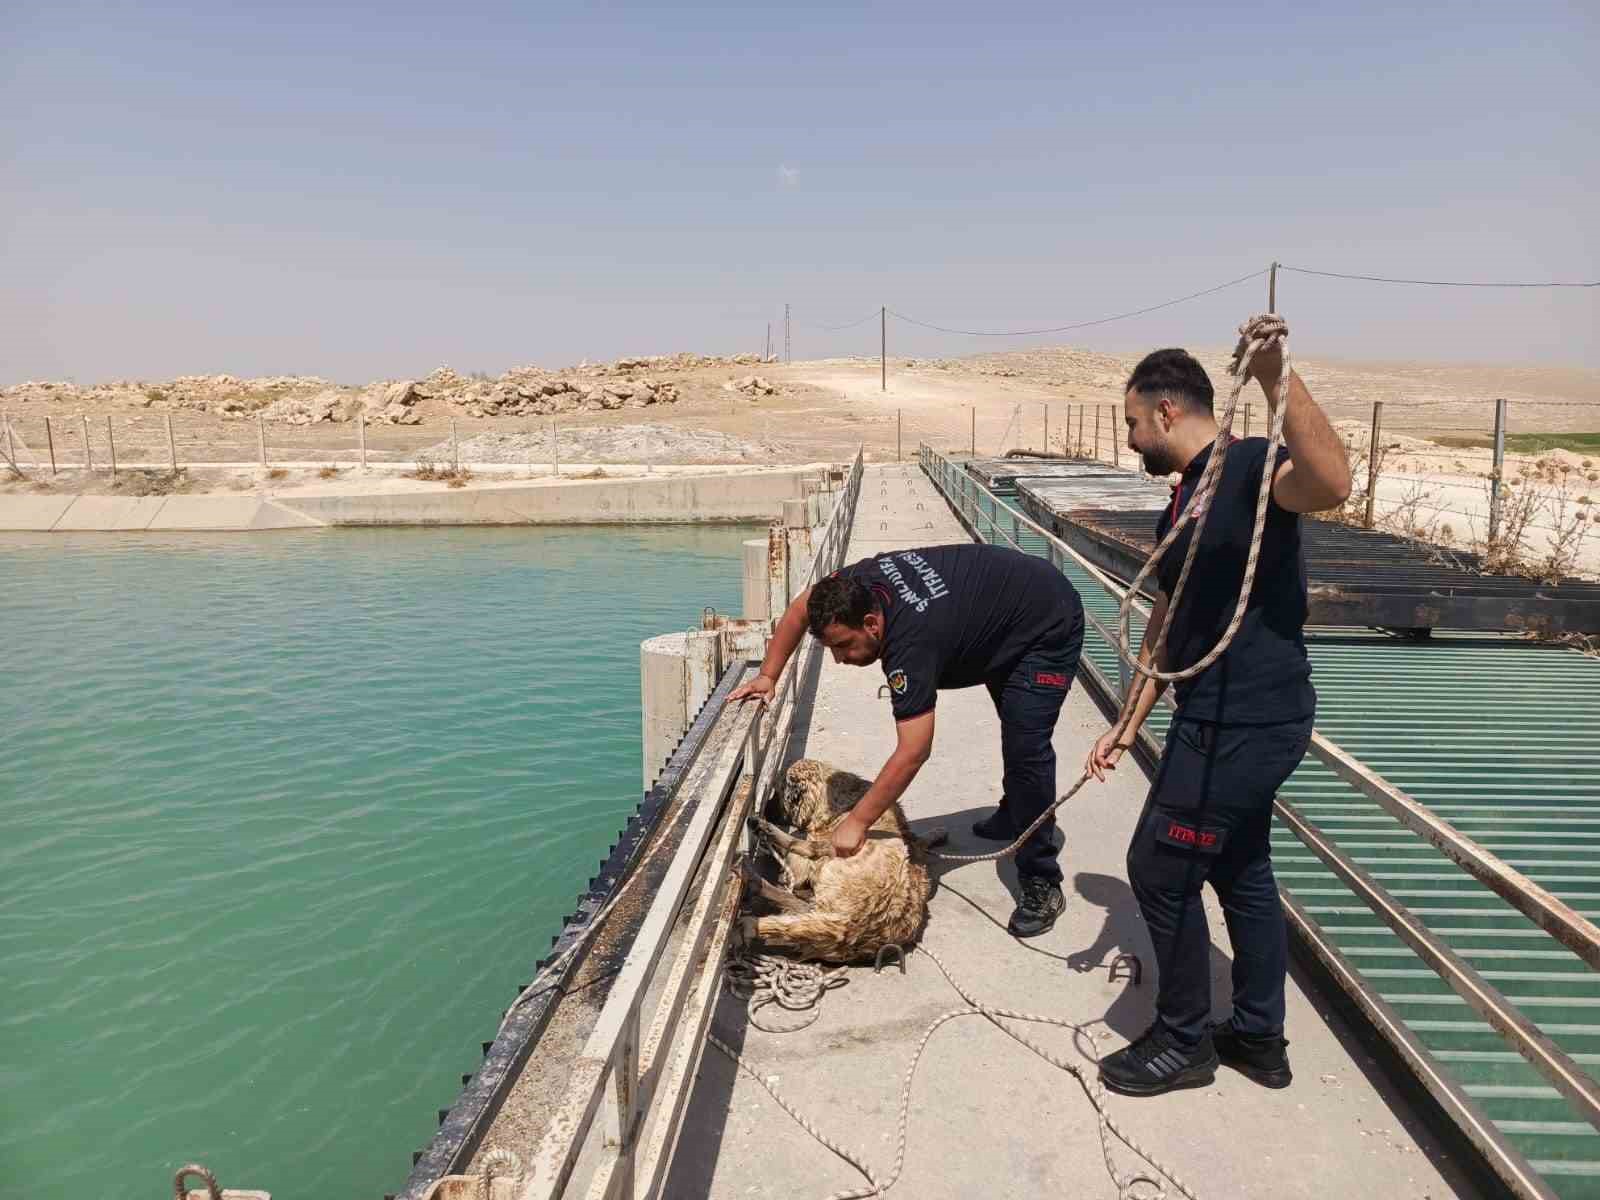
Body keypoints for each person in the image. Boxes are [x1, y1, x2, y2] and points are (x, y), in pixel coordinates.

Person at [1089, 326, 1351, 1097]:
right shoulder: (1182, 503)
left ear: (1166, 412)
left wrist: (1277, 376)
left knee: (1158, 867)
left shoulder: (1251, 468)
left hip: (1245, 722)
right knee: (1242, 869)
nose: (1132, 439)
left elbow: (1332, 484)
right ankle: (1259, 1040)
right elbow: (1169, 620)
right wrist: (1130, 722)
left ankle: (1182, 1041)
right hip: (1220, 715)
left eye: (1133, 424)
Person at [730, 542, 1085, 937]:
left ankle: (1041, 878)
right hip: (1001, 610)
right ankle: (1013, 812)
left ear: (872, 624)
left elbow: (915, 749)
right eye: (830, 648)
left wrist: (858, 822)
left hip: (1045, 622)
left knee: (1026, 745)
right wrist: (768, 675)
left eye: (844, 645)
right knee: (1016, 730)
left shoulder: (909, 645)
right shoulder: (849, 586)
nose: (840, 659)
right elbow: (800, 609)